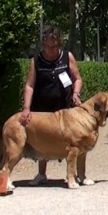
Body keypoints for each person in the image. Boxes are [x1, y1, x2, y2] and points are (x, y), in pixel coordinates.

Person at [20, 25, 83, 186]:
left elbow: (77, 78)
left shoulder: (67, 57)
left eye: (55, 46)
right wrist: (26, 108)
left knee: (73, 141)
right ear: (43, 44)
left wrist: (76, 93)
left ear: (59, 44)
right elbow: (29, 86)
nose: (52, 49)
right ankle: (42, 174)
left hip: (66, 106)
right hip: (43, 107)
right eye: (48, 46)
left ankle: (74, 175)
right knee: (44, 140)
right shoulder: (36, 61)